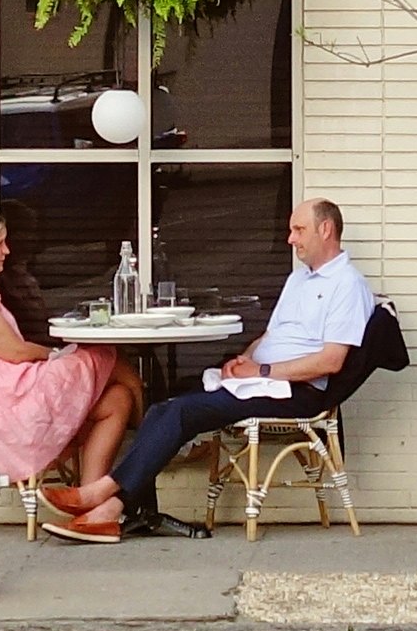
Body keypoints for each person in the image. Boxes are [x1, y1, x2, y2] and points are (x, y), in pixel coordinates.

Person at [103, 198, 372, 537]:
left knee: (182, 413)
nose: (290, 239)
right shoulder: (300, 280)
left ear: (326, 229)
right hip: (265, 381)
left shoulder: (347, 285)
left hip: (298, 392)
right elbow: (272, 336)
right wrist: (245, 360)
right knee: (164, 404)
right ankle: (132, 510)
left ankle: (108, 500)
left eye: (298, 230)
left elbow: (331, 361)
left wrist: (260, 373)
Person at [0, 208, 145, 542]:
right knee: (108, 354)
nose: (7, 251)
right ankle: (154, 440)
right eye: (0, 244)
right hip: (0, 399)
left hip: (4, 386)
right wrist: (54, 355)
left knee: (118, 398)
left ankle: (88, 506)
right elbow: (12, 351)